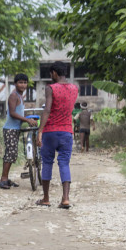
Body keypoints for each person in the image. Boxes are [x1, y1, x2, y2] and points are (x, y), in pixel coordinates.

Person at [36, 61, 78, 209]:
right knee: (64, 163)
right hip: (67, 131)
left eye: (50, 73)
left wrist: (40, 131)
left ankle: (46, 198)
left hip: (50, 131)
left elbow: (47, 110)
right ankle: (65, 198)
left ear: (54, 73)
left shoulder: (51, 88)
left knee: (47, 162)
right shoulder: (74, 88)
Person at [0, 73, 39, 189]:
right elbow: (12, 113)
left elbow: (19, 112)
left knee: (13, 154)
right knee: (10, 153)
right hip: (10, 129)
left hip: (15, 129)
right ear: (15, 84)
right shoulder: (13, 96)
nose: (23, 85)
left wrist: (29, 119)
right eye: (20, 82)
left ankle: (6, 178)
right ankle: (3, 179)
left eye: (25, 82)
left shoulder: (21, 96)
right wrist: (26, 119)